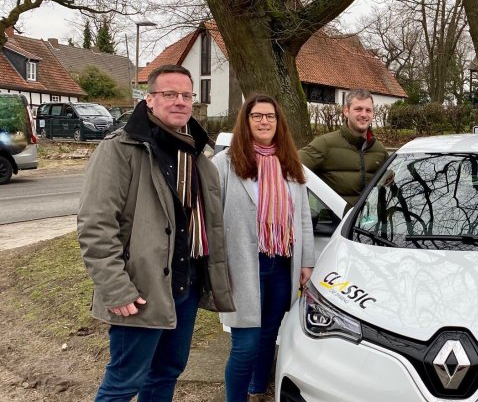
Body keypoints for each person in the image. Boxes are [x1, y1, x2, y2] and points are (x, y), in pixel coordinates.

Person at [77, 64, 235, 401]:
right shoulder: (121, 148)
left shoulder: (196, 154)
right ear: (149, 99)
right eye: (169, 94)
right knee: (123, 383)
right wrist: (117, 290)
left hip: (185, 286)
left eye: (186, 95)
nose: (179, 101)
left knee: (165, 374)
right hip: (141, 290)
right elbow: (95, 226)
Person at [213, 95, 315, 402]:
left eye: (270, 116)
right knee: (245, 344)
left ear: (278, 122)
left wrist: (306, 261)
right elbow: (212, 218)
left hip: (281, 264)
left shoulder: (290, 164)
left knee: (270, 333)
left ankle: (258, 389)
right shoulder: (225, 164)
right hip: (244, 265)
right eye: (256, 116)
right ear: (246, 122)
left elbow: (302, 218)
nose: (264, 121)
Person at [299, 89, 388, 207]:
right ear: (346, 111)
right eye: (358, 109)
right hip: (335, 223)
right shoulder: (325, 144)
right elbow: (291, 167)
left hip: (366, 224)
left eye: (368, 110)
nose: (364, 114)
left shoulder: (380, 150)